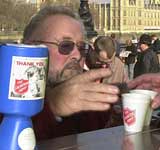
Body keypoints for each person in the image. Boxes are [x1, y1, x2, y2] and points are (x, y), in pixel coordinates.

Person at [22, 5, 121, 141]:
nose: (77, 55)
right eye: (65, 45)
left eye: (82, 47)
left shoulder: (93, 103)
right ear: (30, 48)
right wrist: (52, 107)